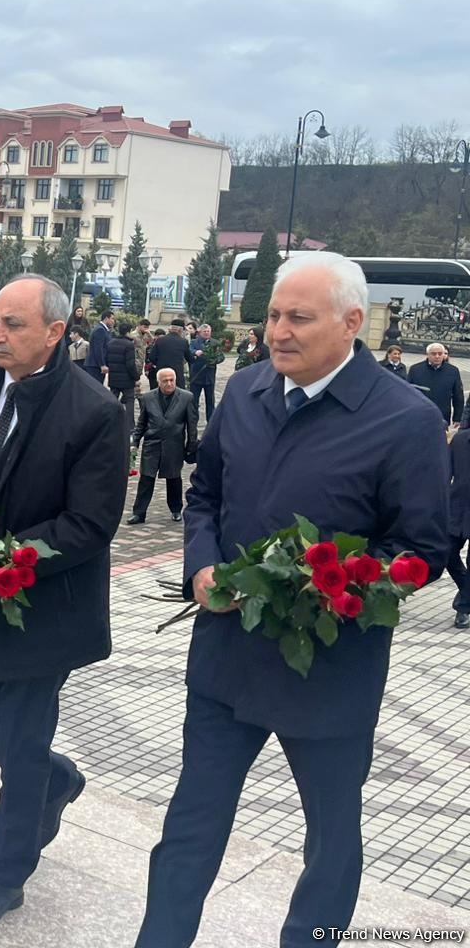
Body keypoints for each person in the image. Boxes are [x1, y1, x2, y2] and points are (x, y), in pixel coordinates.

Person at [135, 253, 449, 947]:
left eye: (297, 318)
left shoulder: (406, 420)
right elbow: (205, 498)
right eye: (274, 314)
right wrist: (201, 568)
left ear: (352, 324)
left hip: (329, 672)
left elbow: (422, 552)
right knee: (190, 826)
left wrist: (337, 587)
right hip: (227, 660)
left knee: (331, 838)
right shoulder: (245, 392)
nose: (277, 330)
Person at [0, 272, 127, 928]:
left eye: (14, 325)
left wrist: (1, 559)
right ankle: (56, 781)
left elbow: (89, 526)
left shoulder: (95, 412)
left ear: (56, 333)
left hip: (41, 606)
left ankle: (5, 875)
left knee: (24, 736)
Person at [127, 368, 197, 524]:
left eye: (172, 380)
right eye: (165, 381)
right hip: (152, 445)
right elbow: (141, 424)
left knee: (174, 479)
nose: (169, 383)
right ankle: (139, 512)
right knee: (146, 479)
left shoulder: (186, 397)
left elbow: (192, 425)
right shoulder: (148, 398)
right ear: (159, 382)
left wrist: (191, 448)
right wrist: (135, 442)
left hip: (174, 445)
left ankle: (176, 509)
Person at [447, 424, 470, 630]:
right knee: (446, 553)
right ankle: (466, 589)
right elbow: (445, 474)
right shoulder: (461, 441)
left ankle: (463, 607)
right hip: (458, 507)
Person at [408, 342, 464, 425]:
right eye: (434, 354)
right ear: (427, 354)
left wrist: (457, 418)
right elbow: (408, 393)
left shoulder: (453, 371)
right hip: (419, 414)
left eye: (440, 354)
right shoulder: (415, 370)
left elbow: (458, 395)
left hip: (442, 416)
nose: (437, 356)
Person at [106, 320, 139, 437]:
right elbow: (130, 364)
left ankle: (109, 423)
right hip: (127, 380)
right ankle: (130, 427)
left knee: (112, 401)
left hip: (114, 378)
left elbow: (107, 360)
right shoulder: (129, 345)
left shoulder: (111, 342)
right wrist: (136, 377)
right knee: (130, 403)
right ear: (128, 332)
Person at [187, 322, 220, 422]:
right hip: (196, 375)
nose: (206, 333)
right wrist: (195, 352)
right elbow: (189, 350)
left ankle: (210, 422)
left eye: (208, 331)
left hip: (209, 376)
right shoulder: (194, 342)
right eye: (204, 331)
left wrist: (213, 360)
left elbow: (220, 356)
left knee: (210, 401)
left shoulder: (215, 343)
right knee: (194, 401)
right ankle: (193, 422)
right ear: (199, 332)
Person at [150, 318, 191, 387]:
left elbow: (152, 357)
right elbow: (189, 358)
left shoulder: (160, 340)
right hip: (176, 375)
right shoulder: (183, 342)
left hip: (162, 373)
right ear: (180, 330)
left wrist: (160, 363)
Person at [84, 309, 114, 382]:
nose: (113, 321)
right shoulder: (100, 330)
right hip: (95, 366)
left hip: (96, 365)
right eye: (112, 319)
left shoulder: (104, 330)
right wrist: (102, 365)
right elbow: (98, 349)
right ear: (106, 318)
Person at [134, 318, 154, 390]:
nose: (146, 329)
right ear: (139, 326)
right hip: (135, 360)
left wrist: (149, 334)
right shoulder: (134, 335)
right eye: (145, 327)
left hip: (141, 361)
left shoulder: (145, 335)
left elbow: (153, 342)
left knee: (137, 381)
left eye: (147, 327)